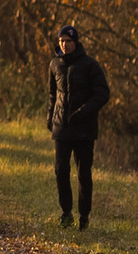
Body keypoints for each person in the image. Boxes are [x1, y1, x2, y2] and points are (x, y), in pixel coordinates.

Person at [46, 23, 112, 230]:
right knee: (60, 171)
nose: (64, 45)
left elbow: (103, 93)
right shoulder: (54, 65)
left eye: (68, 41)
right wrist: (50, 117)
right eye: (61, 41)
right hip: (61, 128)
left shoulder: (90, 65)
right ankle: (66, 213)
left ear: (76, 42)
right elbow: (52, 94)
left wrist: (85, 111)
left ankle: (84, 216)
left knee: (84, 173)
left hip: (84, 129)